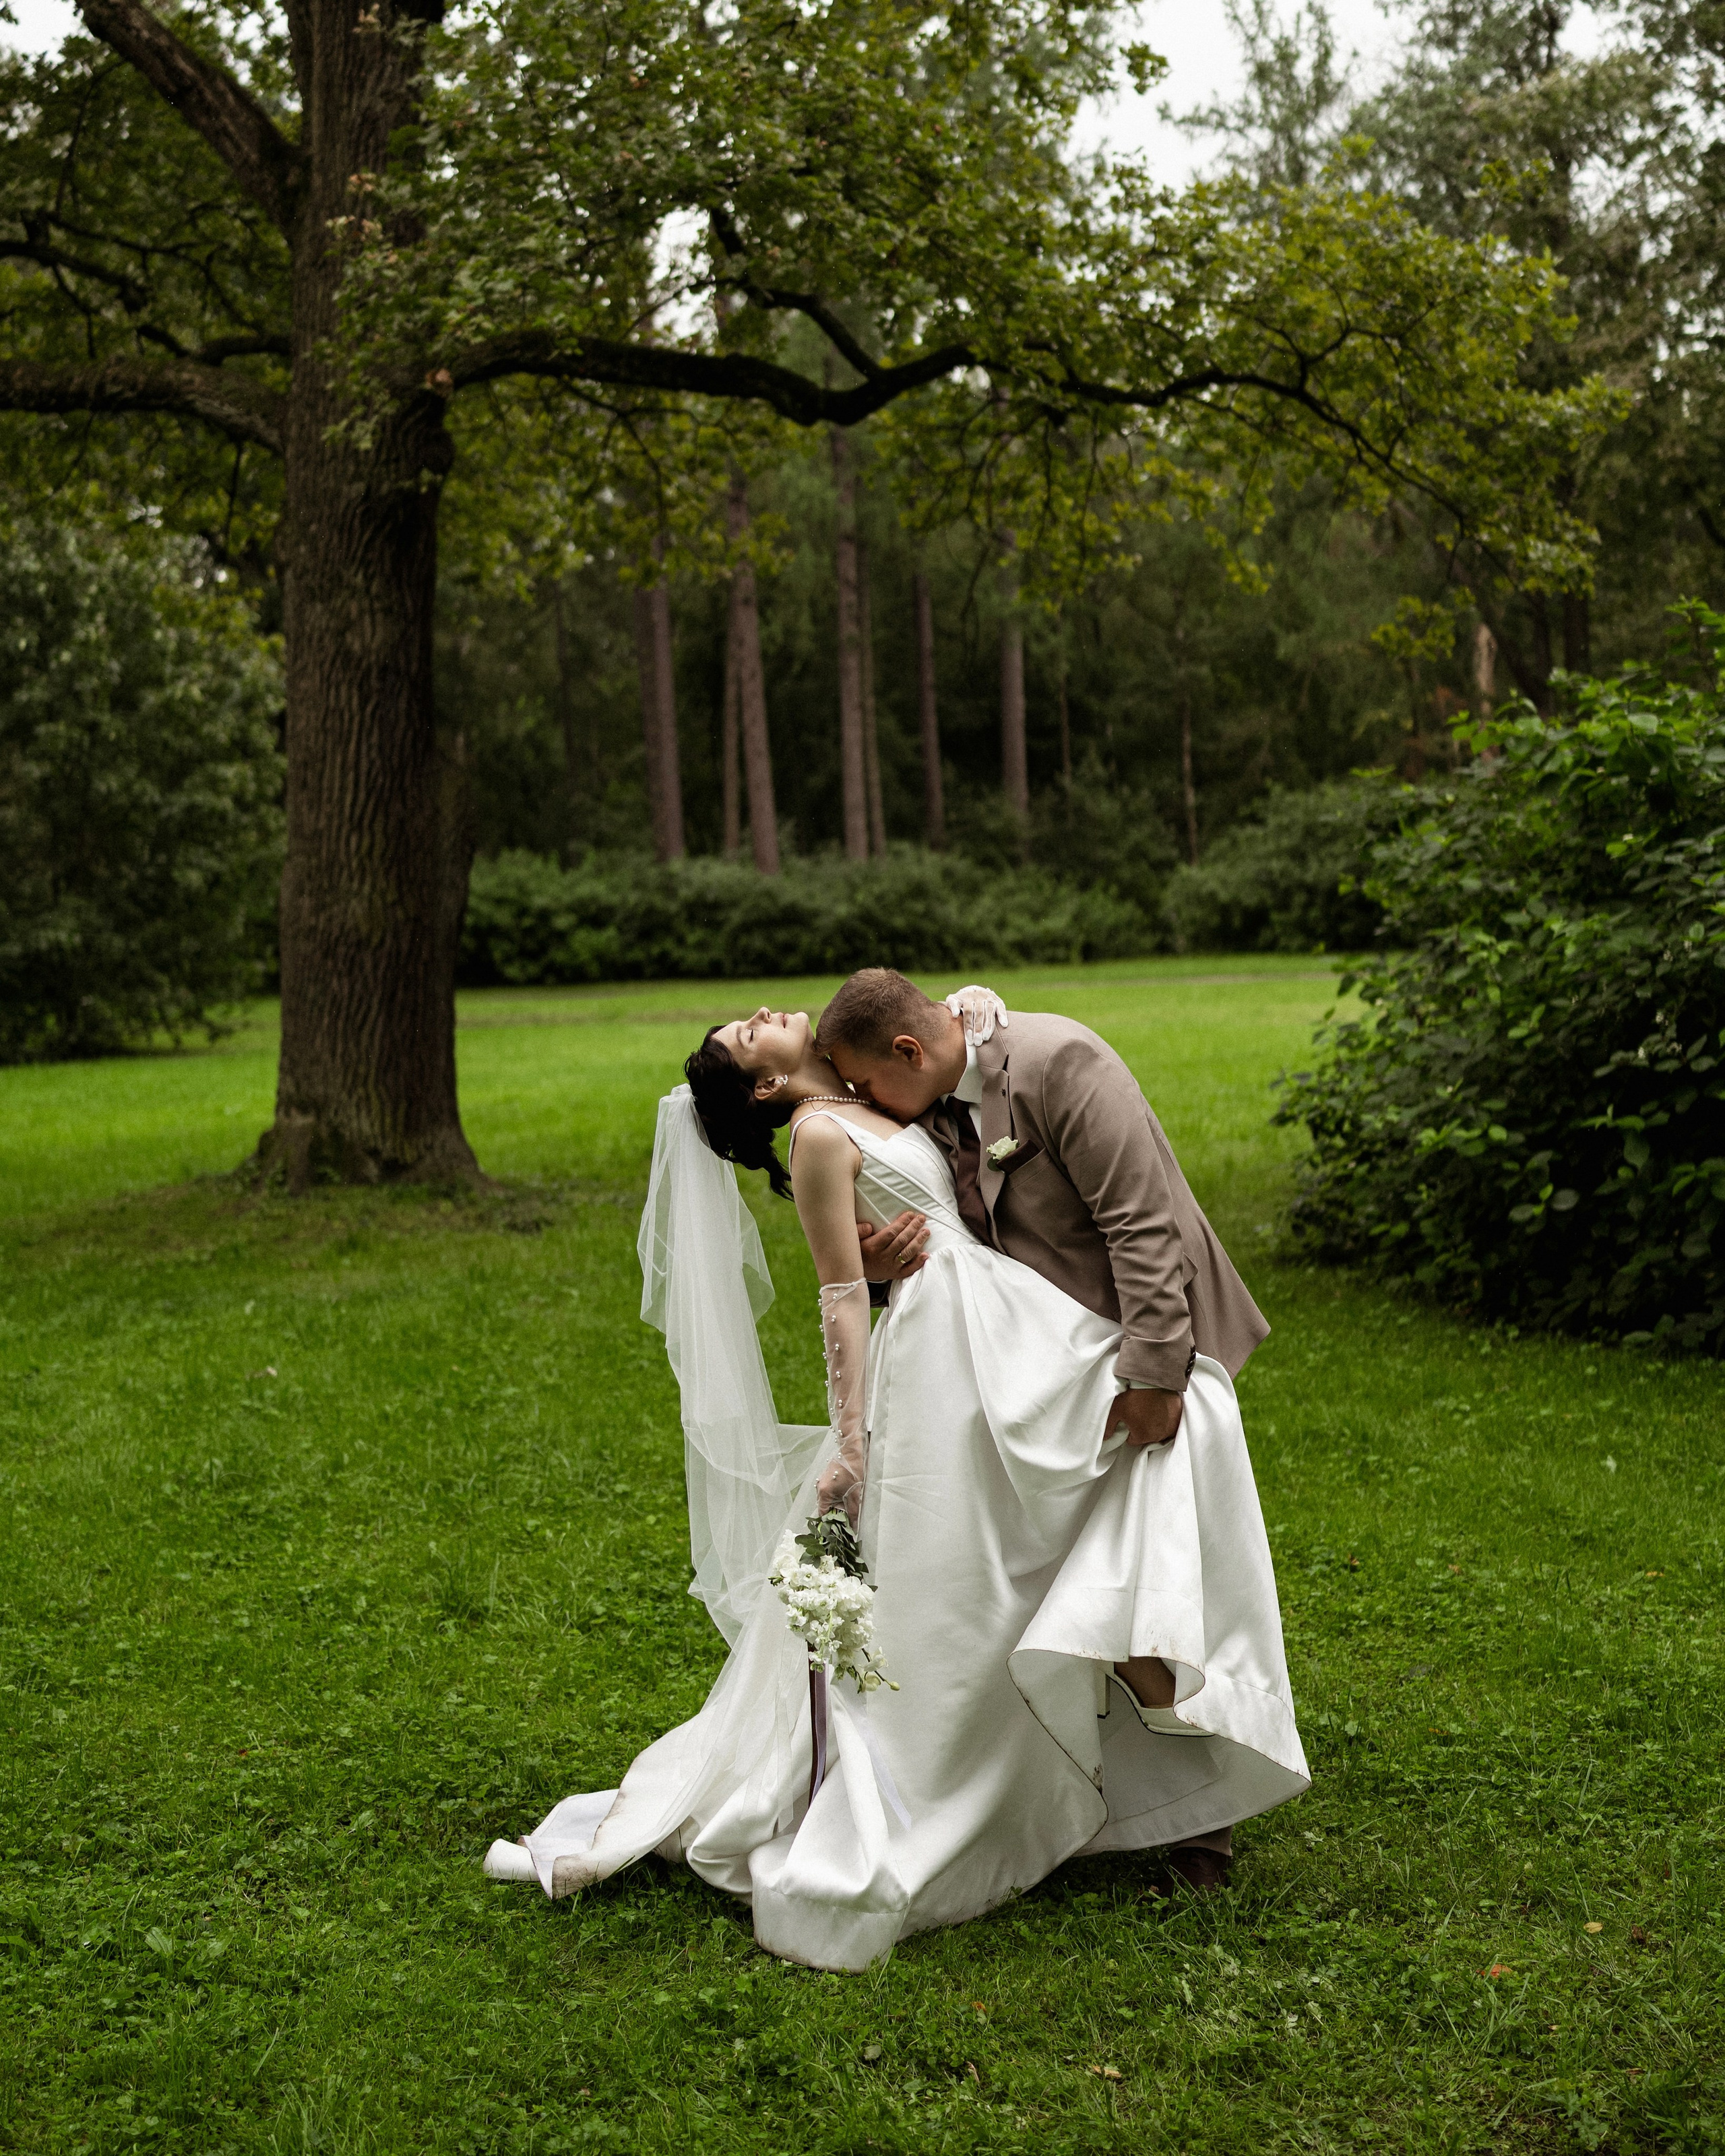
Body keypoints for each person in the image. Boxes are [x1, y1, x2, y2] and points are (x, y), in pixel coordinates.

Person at [483, 990, 1307, 1972]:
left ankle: (1175, 1766)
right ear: (770, 1083)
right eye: (751, 1033)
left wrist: (1153, 1373)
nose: (763, 1008)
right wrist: (852, 1433)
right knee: (998, 1577)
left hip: (1015, 1342)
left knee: (1127, 1490)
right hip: (951, 1363)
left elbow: (941, 1078)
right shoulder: (829, 1127)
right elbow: (843, 1298)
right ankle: (1112, 1758)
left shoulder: (919, 1085)